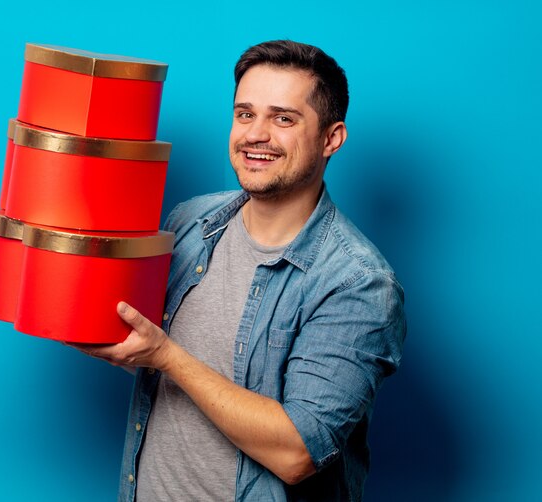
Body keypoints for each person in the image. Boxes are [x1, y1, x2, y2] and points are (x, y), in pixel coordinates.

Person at [70, 40, 406, 501]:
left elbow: (297, 453)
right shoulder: (190, 223)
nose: (255, 135)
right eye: (245, 114)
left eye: (283, 118)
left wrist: (166, 355)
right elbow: (168, 366)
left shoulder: (358, 283)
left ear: (332, 138)